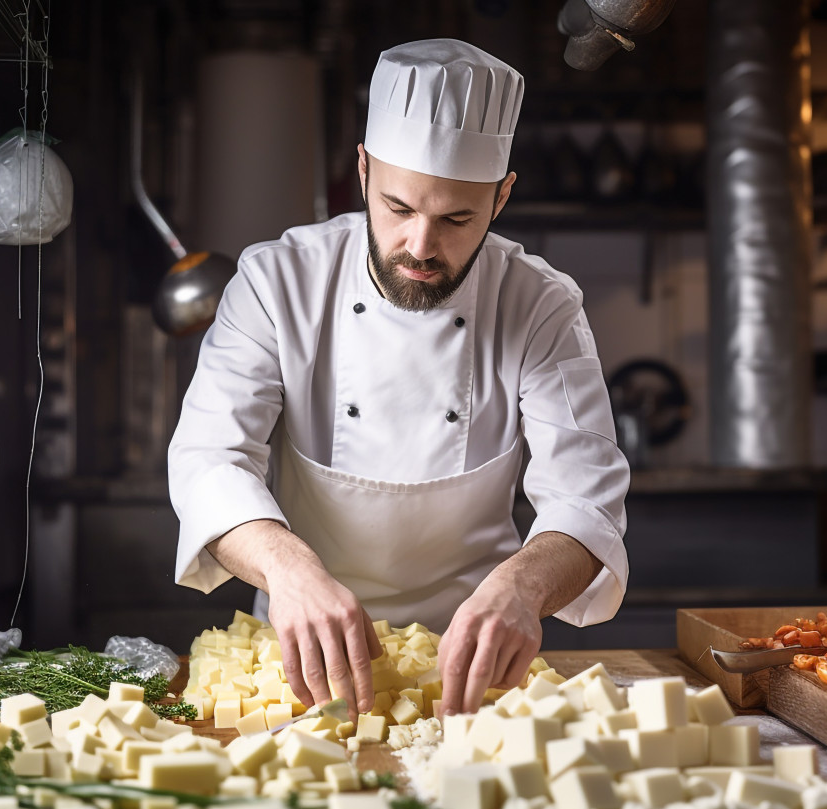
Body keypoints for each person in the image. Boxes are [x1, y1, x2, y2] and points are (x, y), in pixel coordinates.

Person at [168, 38, 630, 718]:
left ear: (501, 197)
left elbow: (585, 501)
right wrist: (290, 572)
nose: (419, 245)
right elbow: (209, 457)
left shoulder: (540, 305)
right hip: (299, 661)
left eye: (456, 219)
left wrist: (525, 590)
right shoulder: (277, 283)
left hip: (475, 667)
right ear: (361, 170)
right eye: (399, 208)